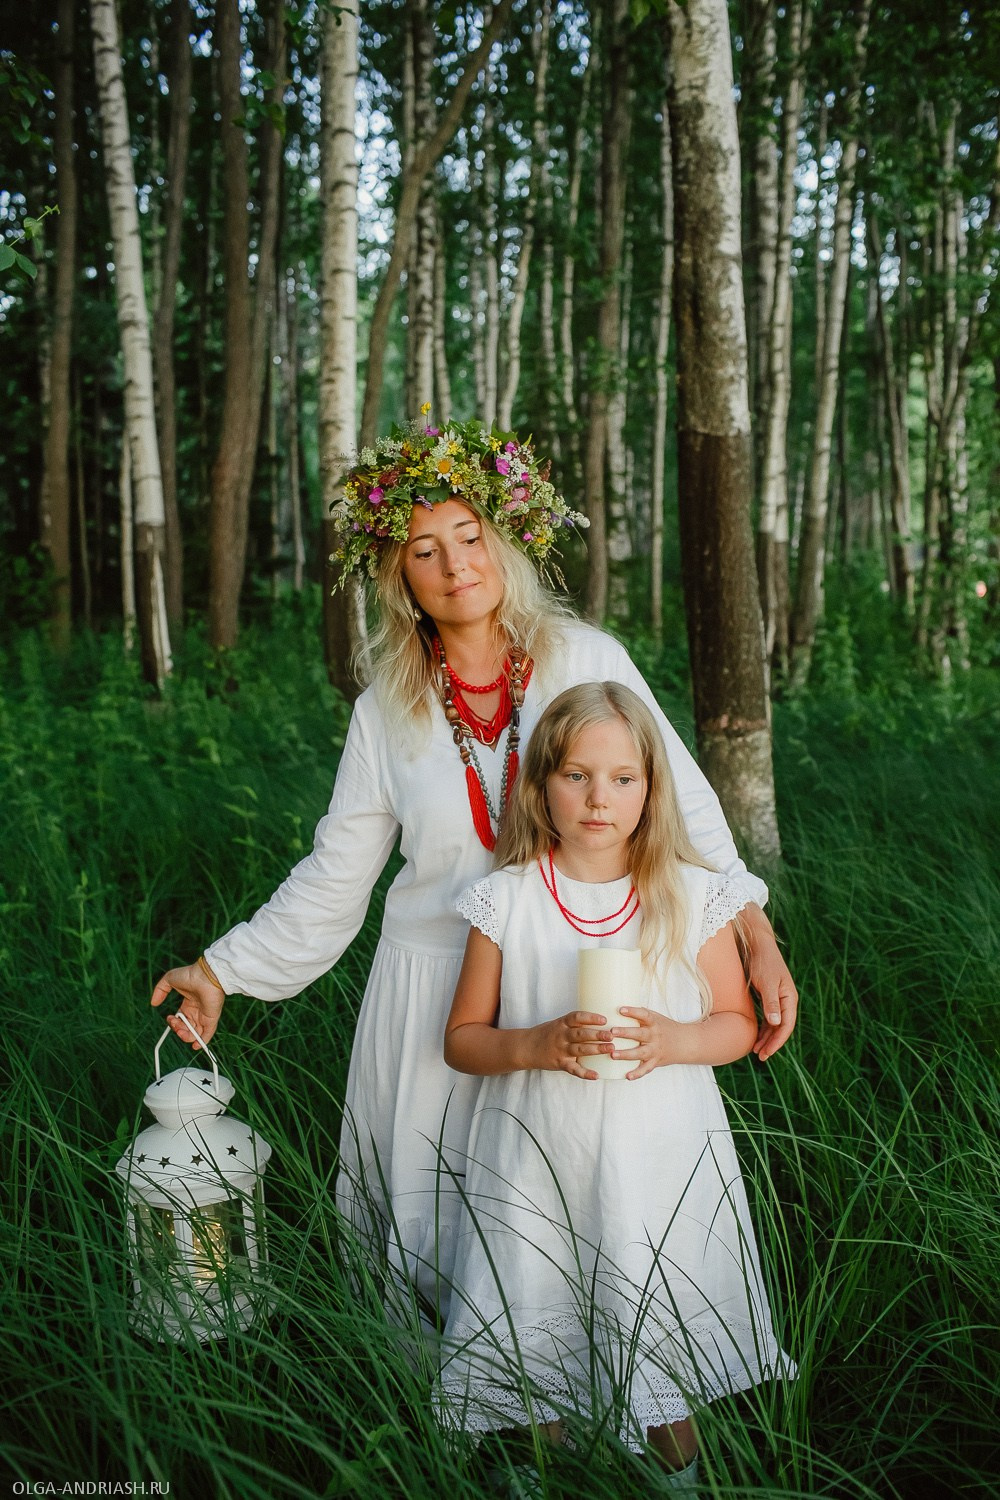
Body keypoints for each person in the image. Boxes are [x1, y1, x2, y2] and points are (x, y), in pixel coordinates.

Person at [150, 414, 798, 1329]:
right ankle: (467, 1438)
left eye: (469, 536)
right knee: (434, 1234)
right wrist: (220, 971)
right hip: (432, 995)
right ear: (399, 580)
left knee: (571, 1225)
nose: (456, 564)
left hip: (565, 974)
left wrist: (752, 930)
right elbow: (337, 876)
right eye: (425, 550)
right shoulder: (387, 710)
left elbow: (682, 802)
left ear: (501, 542)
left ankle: (610, 1425)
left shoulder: (586, 659)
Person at [436, 682, 797, 1486]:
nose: (600, 798)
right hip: (539, 1155)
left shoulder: (691, 894)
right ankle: (549, 1471)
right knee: (539, 1312)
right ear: (540, 786)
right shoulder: (507, 900)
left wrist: (674, 1038)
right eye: (576, 775)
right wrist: (532, 1042)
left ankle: (679, 1479)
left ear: (651, 789)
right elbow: (463, 1041)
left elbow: (737, 1025)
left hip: (656, 1153)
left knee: (652, 1310)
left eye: (623, 778)